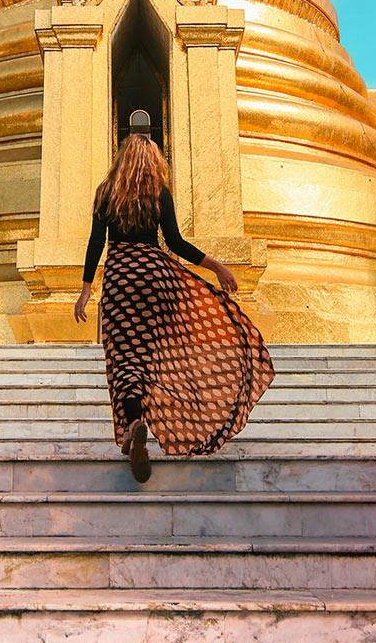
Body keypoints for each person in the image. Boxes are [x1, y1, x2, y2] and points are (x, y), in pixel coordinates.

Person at [73, 108, 274, 485]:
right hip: (154, 277)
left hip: (120, 278)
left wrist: (86, 289)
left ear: (122, 155)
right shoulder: (158, 193)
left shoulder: (106, 192)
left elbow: (95, 243)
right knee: (150, 358)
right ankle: (143, 420)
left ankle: (134, 420)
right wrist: (217, 267)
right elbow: (176, 243)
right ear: (153, 157)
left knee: (124, 359)